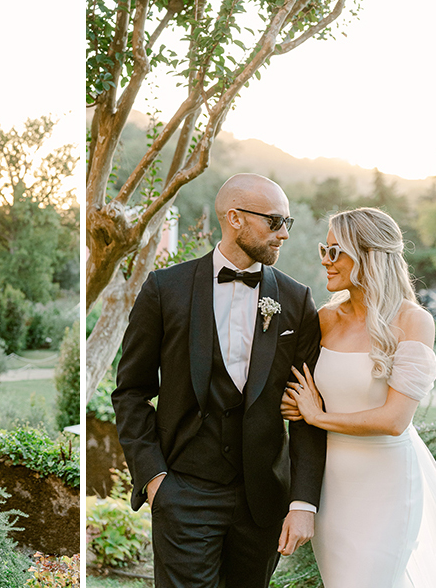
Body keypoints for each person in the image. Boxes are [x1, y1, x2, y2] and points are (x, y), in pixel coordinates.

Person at [112, 173, 327, 588]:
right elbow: (131, 391)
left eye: (288, 223)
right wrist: (155, 479)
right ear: (235, 218)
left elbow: (307, 408)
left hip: (262, 500)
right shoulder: (164, 289)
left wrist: (303, 502)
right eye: (275, 221)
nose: (283, 234)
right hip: (184, 493)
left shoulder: (295, 299)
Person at [281, 207, 436, 588]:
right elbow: (300, 393)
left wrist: (317, 416)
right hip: (331, 486)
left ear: (368, 254)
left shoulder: (412, 321)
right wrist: (292, 406)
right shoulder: (323, 319)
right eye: (324, 248)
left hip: (385, 484)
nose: (325, 259)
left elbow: (394, 420)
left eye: (336, 251)